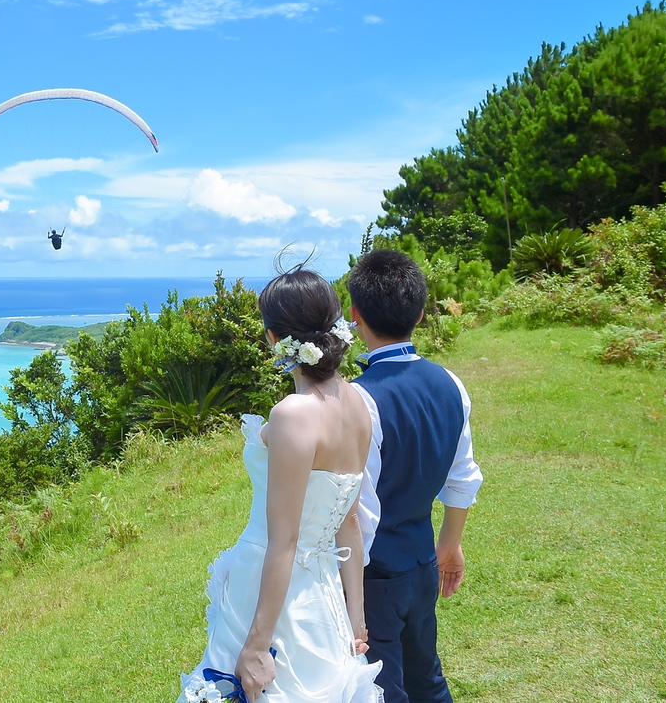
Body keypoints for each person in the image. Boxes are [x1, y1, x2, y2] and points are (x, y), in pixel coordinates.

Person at [180, 266, 383, 703]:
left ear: (273, 338)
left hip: (272, 590)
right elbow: (349, 522)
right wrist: (356, 615)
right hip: (323, 590)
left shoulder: (293, 413)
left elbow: (285, 541)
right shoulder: (358, 405)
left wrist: (257, 645)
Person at [346, 249, 483, 703]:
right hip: (424, 562)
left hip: (375, 575)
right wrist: (450, 543)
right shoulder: (451, 383)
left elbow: (359, 510)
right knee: (427, 675)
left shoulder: (360, 400)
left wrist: (352, 599)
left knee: (383, 688)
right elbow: (462, 475)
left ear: (354, 315)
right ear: (421, 314)